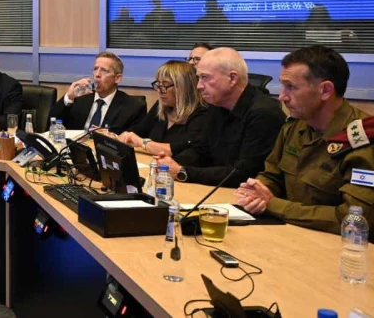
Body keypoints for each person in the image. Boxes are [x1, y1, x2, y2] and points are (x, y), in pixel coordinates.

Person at [235, 46, 374, 233]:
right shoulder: (295, 127)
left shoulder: (363, 141)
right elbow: (271, 176)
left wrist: (274, 205)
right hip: (290, 232)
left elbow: (352, 218)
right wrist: (256, 194)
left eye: (291, 87)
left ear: (325, 90)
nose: (282, 96)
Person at [154, 47, 284, 186]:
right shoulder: (216, 106)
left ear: (232, 78)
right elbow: (202, 152)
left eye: (205, 77)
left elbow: (244, 173)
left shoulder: (263, 114)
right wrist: (170, 163)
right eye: (198, 78)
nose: (198, 86)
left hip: (244, 194)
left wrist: (183, 172)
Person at [116, 61, 208, 157]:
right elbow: (139, 130)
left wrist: (142, 142)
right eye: (158, 84)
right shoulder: (160, 107)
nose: (160, 91)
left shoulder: (201, 113)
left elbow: (180, 149)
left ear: (183, 87)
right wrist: (116, 137)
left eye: (165, 85)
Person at [51, 52, 147, 131]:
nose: (97, 75)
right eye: (95, 69)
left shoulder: (133, 107)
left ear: (117, 78)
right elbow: (51, 123)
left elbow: (133, 140)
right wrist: (69, 97)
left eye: (104, 71)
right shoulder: (80, 97)